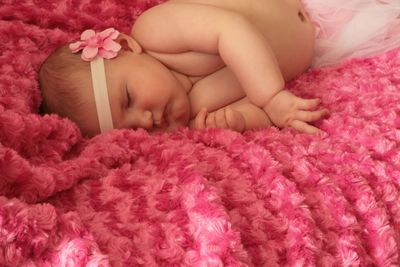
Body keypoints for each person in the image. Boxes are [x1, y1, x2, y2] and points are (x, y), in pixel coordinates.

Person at [39, 0, 330, 137]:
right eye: (132, 128)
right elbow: (265, 113)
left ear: (126, 46)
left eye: (128, 99)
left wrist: (272, 96)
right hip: (326, 40)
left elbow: (231, 30)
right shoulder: (194, 114)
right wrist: (239, 121)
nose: (145, 119)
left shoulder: (156, 33)